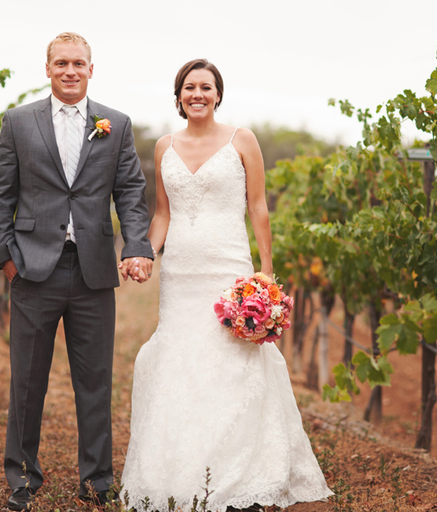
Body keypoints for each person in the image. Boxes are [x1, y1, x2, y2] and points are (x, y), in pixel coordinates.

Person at [120, 59, 332, 511]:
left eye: (206, 87)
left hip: (228, 268)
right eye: (189, 87)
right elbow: (162, 214)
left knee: (233, 363)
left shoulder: (242, 140)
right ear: (178, 96)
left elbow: (258, 206)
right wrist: (144, 254)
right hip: (181, 273)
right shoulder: (162, 147)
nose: (197, 94)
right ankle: (181, 472)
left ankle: (242, 474)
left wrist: (265, 272)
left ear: (218, 94)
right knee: (179, 360)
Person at [0, 32, 153, 511]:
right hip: (33, 271)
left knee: (96, 380)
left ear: (91, 69)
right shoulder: (18, 122)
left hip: (93, 272)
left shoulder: (115, 125)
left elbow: (131, 195)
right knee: (27, 381)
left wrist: (136, 245)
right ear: (48, 68)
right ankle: (21, 477)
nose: (70, 70)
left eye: (79, 63)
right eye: (61, 63)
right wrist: (7, 258)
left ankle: (97, 480)